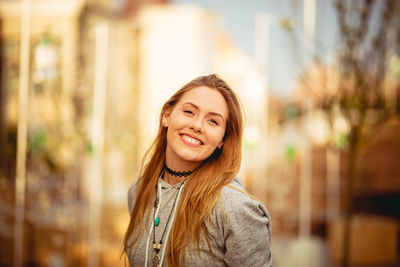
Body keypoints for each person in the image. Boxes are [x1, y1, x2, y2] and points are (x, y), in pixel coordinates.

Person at [123, 74, 273, 266]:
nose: (197, 125)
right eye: (189, 112)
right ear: (167, 116)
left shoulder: (236, 209)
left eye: (213, 121)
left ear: (222, 140)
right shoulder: (138, 191)